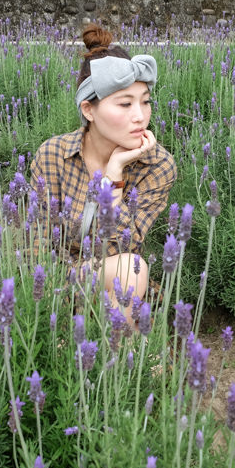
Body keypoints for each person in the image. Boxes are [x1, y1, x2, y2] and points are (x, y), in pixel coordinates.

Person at [29, 23, 177, 319]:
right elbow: (37, 251)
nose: (140, 116)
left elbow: (120, 248)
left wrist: (114, 176)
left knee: (131, 271)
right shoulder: (53, 155)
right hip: (52, 285)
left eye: (145, 102)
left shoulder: (157, 165)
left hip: (116, 275)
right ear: (88, 110)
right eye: (125, 104)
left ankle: (116, 352)